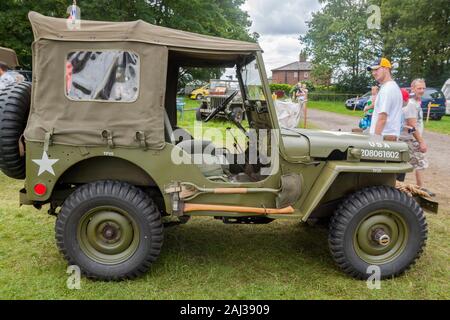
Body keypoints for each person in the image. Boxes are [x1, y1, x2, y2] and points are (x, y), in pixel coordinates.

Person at [399, 79, 429, 188]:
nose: (422, 90)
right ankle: (420, 189)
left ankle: (419, 187)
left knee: (412, 164)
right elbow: (411, 127)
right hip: (410, 139)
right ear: (413, 88)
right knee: (419, 163)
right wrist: (421, 141)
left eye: (423, 88)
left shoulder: (416, 102)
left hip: (412, 138)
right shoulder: (411, 104)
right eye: (419, 88)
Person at [367, 58, 403, 141]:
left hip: (384, 139)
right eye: (372, 70)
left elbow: (382, 118)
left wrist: (375, 141)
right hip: (389, 138)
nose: (374, 73)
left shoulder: (387, 89)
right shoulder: (392, 87)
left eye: (376, 69)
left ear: (386, 69)